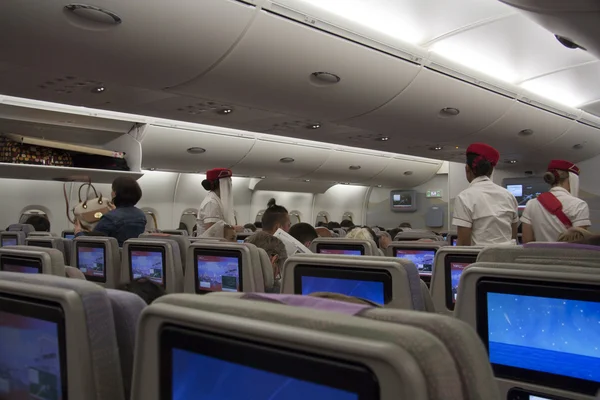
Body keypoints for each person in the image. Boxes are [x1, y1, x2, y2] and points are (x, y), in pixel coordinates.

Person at [452, 143, 519, 246]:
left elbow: (464, 243)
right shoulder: (509, 196)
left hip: (481, 259)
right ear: (491, 171)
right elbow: (513, 235)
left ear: (467, 169)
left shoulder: (464, 197)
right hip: (508, 258)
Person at [521, 160, 591, 243]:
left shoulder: (531, 204)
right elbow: (580, 242)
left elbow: (527, 240)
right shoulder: (579, 205)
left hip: (540, 255)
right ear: (571, 180)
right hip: (567, 255)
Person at [74, 177, 146, 246]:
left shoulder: (110, 218)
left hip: (113, 256)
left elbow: (92, 243)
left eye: (112, 190)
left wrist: (78, 233)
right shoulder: (141, 215)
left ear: (115, 193)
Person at [197, 168, 240, 236]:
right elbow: (211, 231)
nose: (230, 185)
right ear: (219, 184)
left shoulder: (217, 201)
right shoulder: (211, 203)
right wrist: (234, 228)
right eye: (228, 183)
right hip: (209, 245)